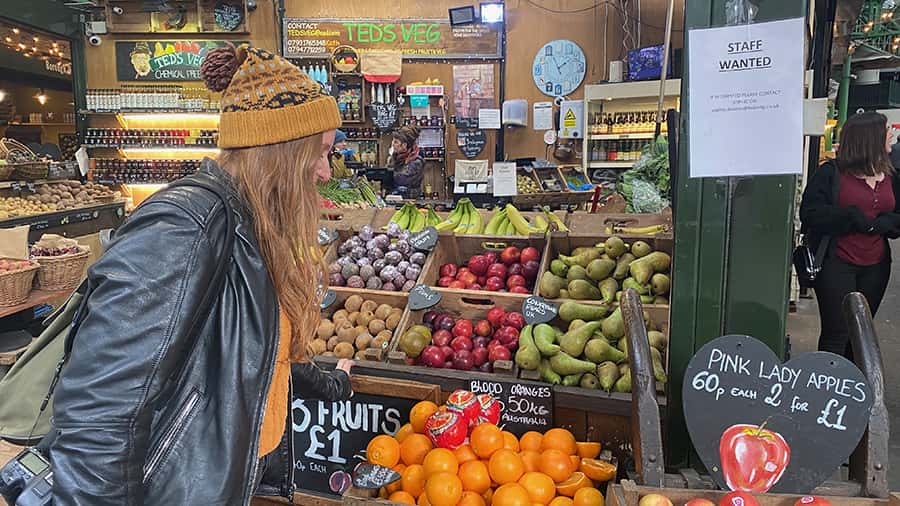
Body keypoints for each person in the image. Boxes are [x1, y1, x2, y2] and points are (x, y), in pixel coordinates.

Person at [49, 45, 354, 504]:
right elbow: (98, 417)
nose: (325, 172)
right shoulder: (184, 227)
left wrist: (333, 384)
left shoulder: (254, 224)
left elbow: (260, 347)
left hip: (221, 480)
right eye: (321, 152)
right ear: (282, 149)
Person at [800, 111, 900, 359]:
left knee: (861, 332)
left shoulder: (892, 176)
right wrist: (848, 216)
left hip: (876, 265)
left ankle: (854, 389)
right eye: (887, 130)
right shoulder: (831, 174)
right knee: (837, 332)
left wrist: (887, 223)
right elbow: (810, 213)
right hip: (836, 261)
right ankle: (828, 388)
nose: (892, 134)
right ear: (869, 138)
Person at [390, 124, 424, 195]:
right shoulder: (395, 157)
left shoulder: (416, 161)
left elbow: (402, 180)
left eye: (396, 142)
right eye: (393, 141)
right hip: (396, 198)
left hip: (411, 200)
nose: (392, 144)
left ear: (404, 145)